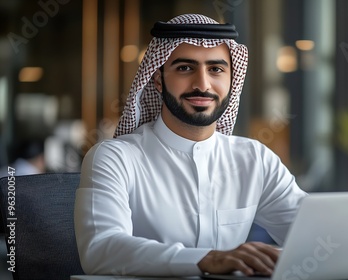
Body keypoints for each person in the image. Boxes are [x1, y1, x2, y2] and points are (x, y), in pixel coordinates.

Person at [74, 14, 307, 277]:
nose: (203, 85)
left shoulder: (255, 159)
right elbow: (100, 249)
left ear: (232, 79)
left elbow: (318, 237)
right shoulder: (114, 158)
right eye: (185, 68)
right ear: (158, 80)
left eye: (216, 69)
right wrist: (208, 259)